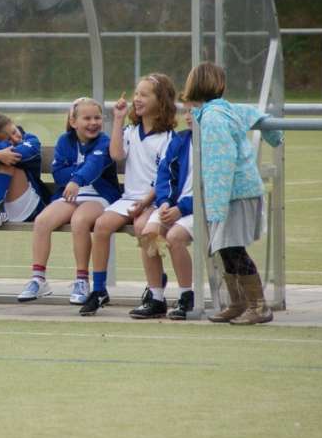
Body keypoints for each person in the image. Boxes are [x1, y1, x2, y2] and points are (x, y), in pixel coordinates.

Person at [184, 62, 283, 325]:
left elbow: (221, 162)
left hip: (233, 194)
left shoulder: (214, 118)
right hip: (236, 192)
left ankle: (258, 305)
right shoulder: (218, 112)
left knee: (233, 248)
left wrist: (216, 205)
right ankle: (238, 303)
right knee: (225, 249)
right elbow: (255, 115)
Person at [82, 74, 176, 316]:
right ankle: (100, 289)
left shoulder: (168, 138)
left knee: (145, 229)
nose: (137, 99)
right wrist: (118, 119)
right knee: (102, 225)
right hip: (129, 199)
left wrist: (146, 203)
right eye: (136, 94)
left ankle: (156, 296)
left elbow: (165, 178)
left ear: (161, 100)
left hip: (155, 200)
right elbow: (115, 154)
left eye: (144, 95)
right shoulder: (131, 131)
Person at [19, 97, 120, 304]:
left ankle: (82, 280)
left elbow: (94, 165)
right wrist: (75, 178)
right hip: (69, 195)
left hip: (99, 197)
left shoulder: (104, 142)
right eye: (87, 118)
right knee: (42, 221)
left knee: (80, 220)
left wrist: (76, 178)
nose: (93, 123)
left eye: (97, 118)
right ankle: (38, 279)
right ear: (73, 122)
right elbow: (58, 174)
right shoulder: (65, 141)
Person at [129, 105, 195, 320]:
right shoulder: (181, 140)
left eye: (194, 112)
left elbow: (212, 189)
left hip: (198, 209)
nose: (188, 117)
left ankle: (186, 295)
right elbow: (164, 175)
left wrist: (181, 208)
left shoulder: (215, 146)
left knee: (175, 237)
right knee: (148, 234)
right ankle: (156, 297)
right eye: (186, 111)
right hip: (173, 206)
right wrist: (165, 202)